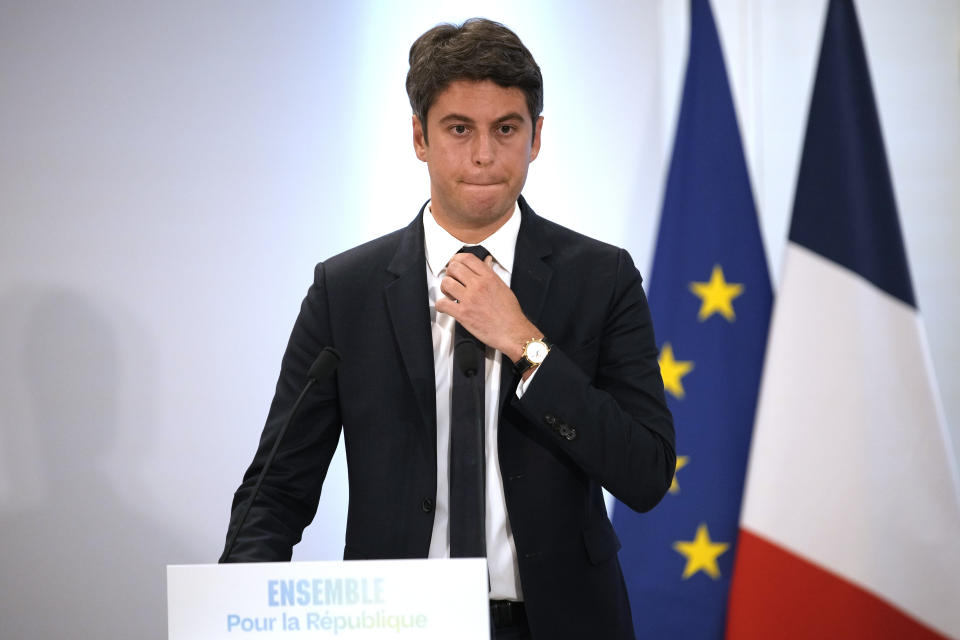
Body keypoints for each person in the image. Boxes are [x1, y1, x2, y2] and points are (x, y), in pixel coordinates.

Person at [222, 18, 675, 640]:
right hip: (395, 626)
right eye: (459, 129)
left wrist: (526, 345)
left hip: (561, 624)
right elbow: (276, 490)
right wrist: (233, 609)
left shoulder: (602, 278)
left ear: (536, 138)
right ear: (420, 137)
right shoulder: (346, 290)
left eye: (506, 129)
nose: (484, 154)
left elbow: (646, 473)